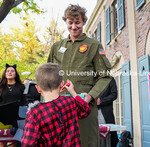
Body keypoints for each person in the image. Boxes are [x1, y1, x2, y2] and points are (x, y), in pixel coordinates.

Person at [47, 4, 111, 147]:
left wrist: (91, 96)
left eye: (78, 22)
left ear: (83, 22)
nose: (74, 26)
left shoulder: (94, 45)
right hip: (58, 107)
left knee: (85, 142)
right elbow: (48, 76)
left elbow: (105, 76)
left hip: (83, 107)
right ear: (66, 22)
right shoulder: (57, 47)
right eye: (70, 22)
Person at [21, 63, 91, 146]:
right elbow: (85, 110)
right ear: (62, 84)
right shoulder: (70, 102)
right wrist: (73, 92)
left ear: (38, 88)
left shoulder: (36, 113)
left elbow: (28, 144)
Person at [0, 64, 25, 147]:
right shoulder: (1, 87)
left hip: (17, 118)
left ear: (15, 74)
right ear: (5, 74)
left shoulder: (21, 87)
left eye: (12, 71)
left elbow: (24, 102)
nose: (9, 72)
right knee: (2, 142)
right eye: (7, 71)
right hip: (2, 118)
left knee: (15, 141)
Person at [97, 76, 118, 147]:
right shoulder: (91, 79)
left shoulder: (110, 79)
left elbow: (114, 94)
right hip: (92, 114)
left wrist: (101, 101)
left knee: (111, 138)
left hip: (106, 113)